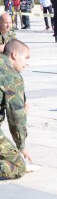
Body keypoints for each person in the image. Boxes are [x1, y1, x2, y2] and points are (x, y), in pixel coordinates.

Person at [0, 40, 34, 179]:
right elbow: (16, 117)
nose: (27, 63)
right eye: (26, 58)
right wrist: (21, 145)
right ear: (14, 55)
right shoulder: (12, 76)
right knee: (19, 167)